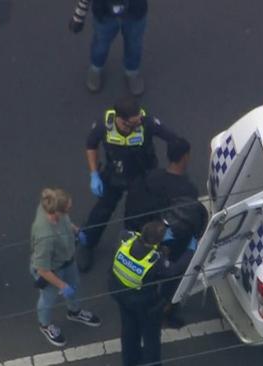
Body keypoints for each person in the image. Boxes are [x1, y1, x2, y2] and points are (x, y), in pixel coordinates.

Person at [78, 96, 178, 273]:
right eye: (134, 122)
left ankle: (137, 250)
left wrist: (171, 168)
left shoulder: (147, 123)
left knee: (138, 215)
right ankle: (88, 242)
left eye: (139, 119)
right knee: (101, 210)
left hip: (141, 176)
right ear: (121, 121)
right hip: (114, 174)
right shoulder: (104, 125)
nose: (139, 123)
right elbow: (90, 145)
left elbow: (173, 139)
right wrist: (94, 173)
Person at [124, 137, 207, 327]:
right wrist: (190, 248)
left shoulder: (152, 177)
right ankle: (165, 312)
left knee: (150, 278)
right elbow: (189, 219)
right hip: (171, 242)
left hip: (148, 235)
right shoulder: (187, 189)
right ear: (185, 157)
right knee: (171, 279)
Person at [109, 220, 196, 366]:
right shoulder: (154, 261)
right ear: (157, 241)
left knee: (129, 330)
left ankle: (130, 361)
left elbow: (129, 234)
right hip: (144, 304)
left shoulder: (125, 238)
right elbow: (174, 270)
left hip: (120, 294)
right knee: (151, 337)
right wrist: (190, 251)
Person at [30, 188, 101, 347]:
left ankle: (74, 311)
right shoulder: (45, 236)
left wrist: (76, 231)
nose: (70, 209)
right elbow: (43, 269)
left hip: (67, 260)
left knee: (74, 285)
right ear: (57, 211)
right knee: (48, 298)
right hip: (52, 269)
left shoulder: (52, 208)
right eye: (68, 208)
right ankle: (45, 325)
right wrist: (62, 285)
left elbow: (66, 221)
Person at [68, 0, 149, 95]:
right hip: (105, 14)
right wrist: (79, 16)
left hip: (135, 13)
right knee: (101, 45)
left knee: (134, 45)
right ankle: (96, 68)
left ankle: (132, 71)